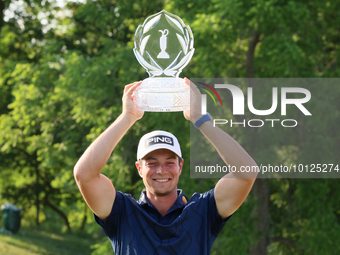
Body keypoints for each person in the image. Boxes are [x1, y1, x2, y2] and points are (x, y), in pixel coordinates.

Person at [74, 78, 258, 255]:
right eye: (152, 163)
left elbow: (247, 173)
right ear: (139, 168)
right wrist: (127, 117)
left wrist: (200, 119)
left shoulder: (203, 211)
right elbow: (84, 175)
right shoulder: (121, 212)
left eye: (169, 162)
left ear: (180, 166)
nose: (161, 170)